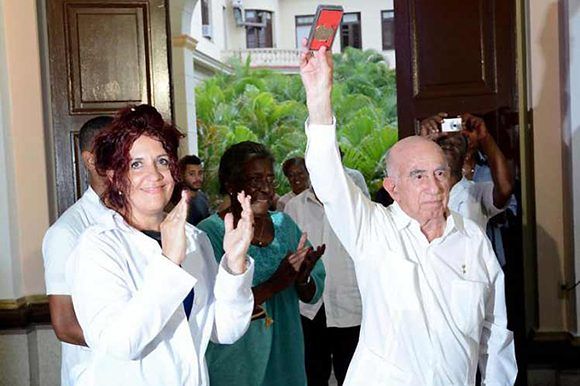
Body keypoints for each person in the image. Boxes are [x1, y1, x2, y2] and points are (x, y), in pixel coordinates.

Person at [299, 44, 517, 385]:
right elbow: (328, 178)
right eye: (417, 175)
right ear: (392, 187)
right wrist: (318, 96)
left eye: (440, 173)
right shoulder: (372, 230)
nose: (433, 185)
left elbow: (496, 334)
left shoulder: (472, 239)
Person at [65, 104, 255, 385]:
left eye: (162, 161)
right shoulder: (97, 247)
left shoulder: (193, 238)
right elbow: (120, 344)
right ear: (116, 177)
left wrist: (235, 265)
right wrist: (169, 262)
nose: (154, 175)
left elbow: (224, 330)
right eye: (136, 164)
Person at [198, 141, 326, 386]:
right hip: (236, 362)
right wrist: (275, 284)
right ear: (230, 184)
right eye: (255, 179)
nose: (266, 189)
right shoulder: (210, 234)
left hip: (285, 356)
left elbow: (311, 294)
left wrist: (303, 278)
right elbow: (212, 311)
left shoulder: (284, 226)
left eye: (270, 179)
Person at [42, 115, 113, 385]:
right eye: (113, 148)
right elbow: (65, 325)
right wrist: (132, 341)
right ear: (90, 160)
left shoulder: (143, 220)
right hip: (96, 373)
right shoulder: (67, 231)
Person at [285, 185, 362, 386]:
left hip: (349, 303)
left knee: (352, 374)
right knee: (314, 373)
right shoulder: (294, 207)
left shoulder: (355, 202)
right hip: (310, 306)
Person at [419, 113, 514, 232]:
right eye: (443, 142)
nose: (449, 144)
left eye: (457, 143)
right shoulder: (418, 191)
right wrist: (420, 145)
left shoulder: (476, 192)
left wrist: (485, 137)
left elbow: (505, 188)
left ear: (466, 155)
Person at [171, 155, 212, 225]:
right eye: (191, 174)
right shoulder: (177, 203)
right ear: (182, 175)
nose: (197, 178)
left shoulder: (202, 197)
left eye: (200, 173)